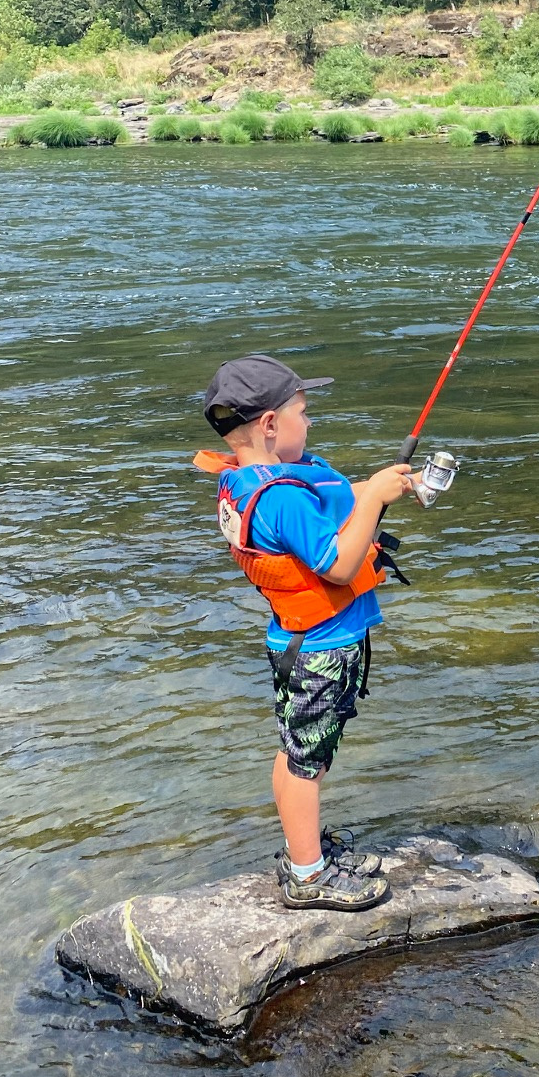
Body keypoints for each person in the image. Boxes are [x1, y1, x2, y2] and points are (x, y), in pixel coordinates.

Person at [193, 353, 419, 911]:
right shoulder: (282, 496)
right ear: (270, 424)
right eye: (303, 411)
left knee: (299, 751)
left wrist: (378, 487)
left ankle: (304, 848)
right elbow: (338, 565)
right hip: (319, 649)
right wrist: (373, 499)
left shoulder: (258, 483)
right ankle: (308, 876)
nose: (310, 422)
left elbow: (325, 509)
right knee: (305, 762)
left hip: (306, 643)